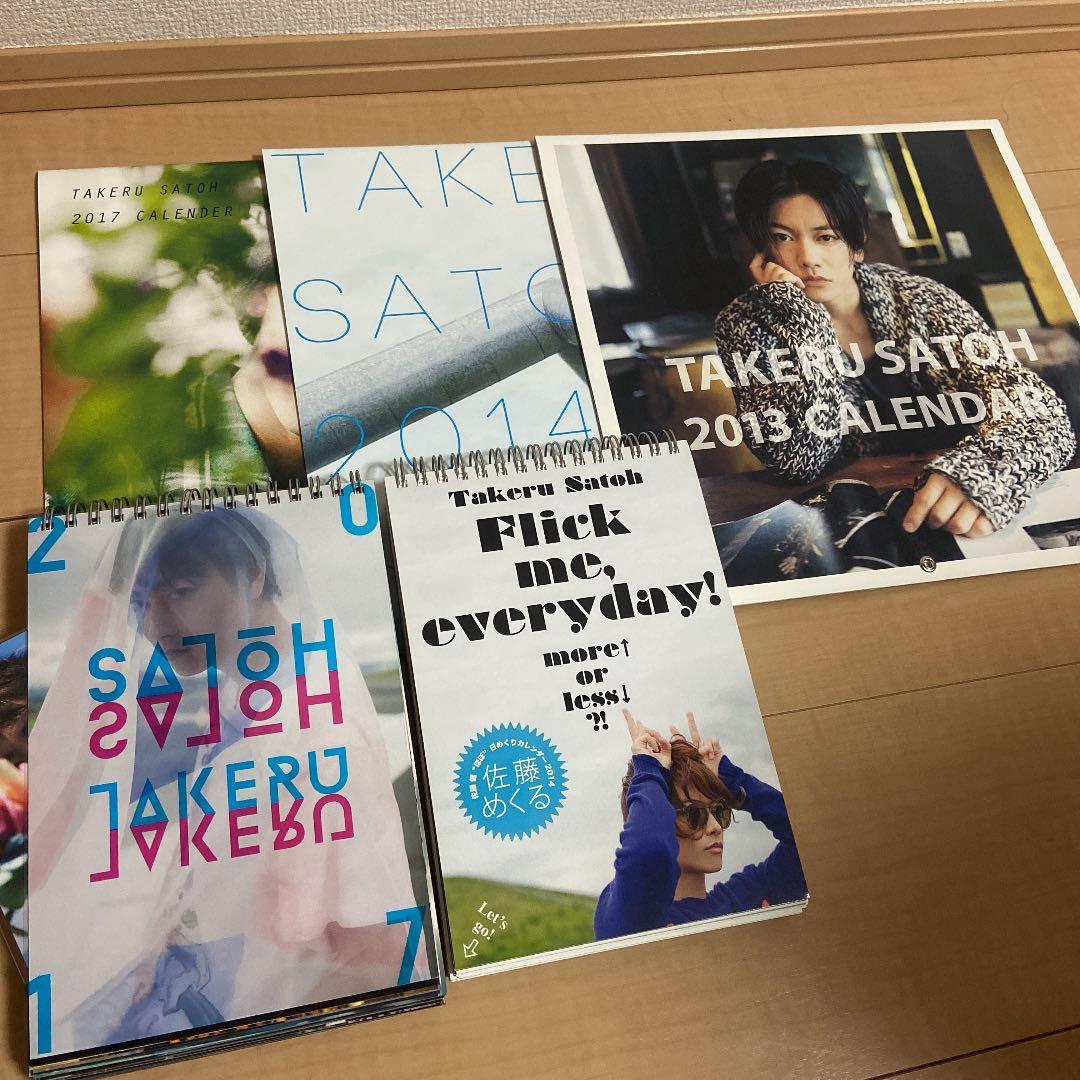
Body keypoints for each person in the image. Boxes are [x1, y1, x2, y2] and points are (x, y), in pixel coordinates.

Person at [29, 507, 425, 1053]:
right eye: (141, 601)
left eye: (182, 591)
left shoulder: (312, 740)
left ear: (254, 573)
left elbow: (372, 954)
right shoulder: (252, 691)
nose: (156, 625)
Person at [713, 158, 1076, 537]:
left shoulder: (923, 300)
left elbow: (1040, 414)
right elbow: (796, 462)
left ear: (856, 245)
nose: (807, 257)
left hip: (958, 502)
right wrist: (800, 320)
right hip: (853, 519)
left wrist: (978, 473)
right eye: (783, 237)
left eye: (826, 236)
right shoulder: (744, 323)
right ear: (763, 250)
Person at [594, 709, 806, 940]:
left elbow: (811, 837)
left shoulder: (745, 898)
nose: (715, 827)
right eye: (694, 815)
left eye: (719, 811)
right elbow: (650, 850)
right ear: (659, 819)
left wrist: (732, 781)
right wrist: (649, 769)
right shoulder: (632, 915)